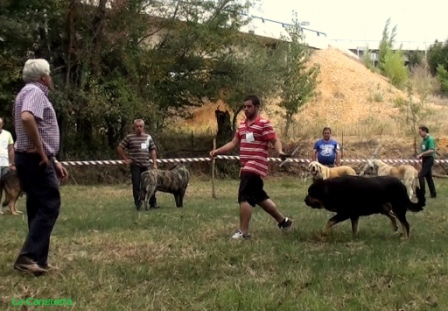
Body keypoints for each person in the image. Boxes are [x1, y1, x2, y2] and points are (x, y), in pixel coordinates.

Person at [12, 58, 68, 275]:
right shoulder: (36, 92)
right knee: (50, 204)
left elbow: (38, 127)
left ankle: (38, 261)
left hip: (31, 158)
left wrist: (53, 160)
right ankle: (28, 256)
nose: (51, 78)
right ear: (44, 77)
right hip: (34, 159)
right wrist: (43, 152)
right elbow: (27, 118)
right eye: (50, 74)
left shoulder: (25, 92)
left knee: (37, 207)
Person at [209, 95, 292, 239]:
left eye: (249, 106)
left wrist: (280, 152)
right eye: (244, 107)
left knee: (244, 196)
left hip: (255, 166)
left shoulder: (264, 124)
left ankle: (243, 232)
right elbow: (233, 143)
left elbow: (275, 140)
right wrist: (217, 151)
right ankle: (283, 221)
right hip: (246, 165)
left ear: (257, 107)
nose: (246, 109)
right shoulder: (242, 125)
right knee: (259, 197)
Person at [118, 119, 158, 210]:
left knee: (151, 184)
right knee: (136, 184)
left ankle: (153, 203)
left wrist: (154, 163)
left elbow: (153, 150)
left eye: (140, 126)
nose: (139, 128)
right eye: (137, 126)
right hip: (135, 165)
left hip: (146, 165)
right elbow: (120, 148)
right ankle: (138, 203)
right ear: (134, 127)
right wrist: (125, 158)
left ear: (143, 127)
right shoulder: (129, 137)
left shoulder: (148, 137)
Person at [0, 117, 15, 215]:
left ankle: (10, 207)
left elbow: (11, 150)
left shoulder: (8, 134)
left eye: (0, 123)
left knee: (6, 187)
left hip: (5, 164)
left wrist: (12, 163)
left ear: (2, 124)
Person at [416, 125, 437, 198]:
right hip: (425, 159)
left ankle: (422, 193)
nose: (419, 134)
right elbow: (424, 150)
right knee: (428, 177)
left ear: (424, 131)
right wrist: (421, 156)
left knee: (421, 175)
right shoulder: (423, 141)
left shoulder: (430, 139)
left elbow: (431, 150)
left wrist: (422, 154)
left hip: (429, 159)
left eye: (420, 132)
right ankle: (433, 194)